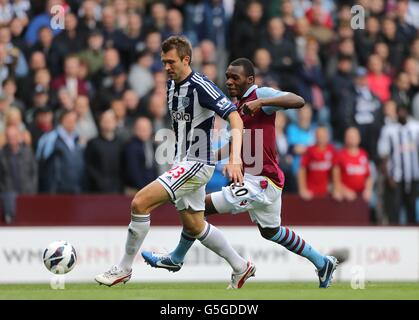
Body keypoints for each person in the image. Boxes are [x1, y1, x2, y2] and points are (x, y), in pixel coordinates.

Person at [142, 58, 339, 288]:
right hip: (261, 182)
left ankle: (176, 258)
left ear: (250, 80)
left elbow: (299, 100)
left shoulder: (260, 95)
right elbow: (230, 144)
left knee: (198, 209)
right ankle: (322, 262)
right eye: (227, 77)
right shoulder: (235, 110)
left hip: (262, 181)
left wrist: (262, 102)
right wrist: (204, 158)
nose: (229, 81)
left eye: (235, 77)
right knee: (271, 232)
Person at [95, 36, 255, 289]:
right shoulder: (171, 86)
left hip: (197, 163)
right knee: (195, 225)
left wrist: (234, 158)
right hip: (183, 161)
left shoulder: (202, 85)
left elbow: (235, 118)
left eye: (171, 62)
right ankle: (240, 265)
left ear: (186, 59)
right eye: (163, 62)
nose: (166, 67)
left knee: (140, 202)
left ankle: (124, 268)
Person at [378, 104, 419, 224]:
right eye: (399, 111)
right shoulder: (388, 130)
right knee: (394, 209)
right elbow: (384, 155)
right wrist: (388, 176)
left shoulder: (416, 128)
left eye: (404, 111)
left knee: (413, 208)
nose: (402, 114)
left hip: (414, 176)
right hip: (395, 176)